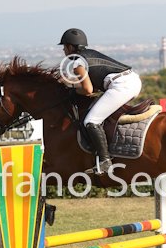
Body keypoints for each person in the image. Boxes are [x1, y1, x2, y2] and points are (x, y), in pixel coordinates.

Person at [59, 28, 142, 174]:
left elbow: (88, 90)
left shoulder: (77, 63)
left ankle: (105, 161)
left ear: (70, 47)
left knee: (91, 120)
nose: (64, 50)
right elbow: (94, 86)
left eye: (64, 47)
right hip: (132, 80)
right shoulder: (90, 54)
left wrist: (72, 90)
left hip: (122, 86)